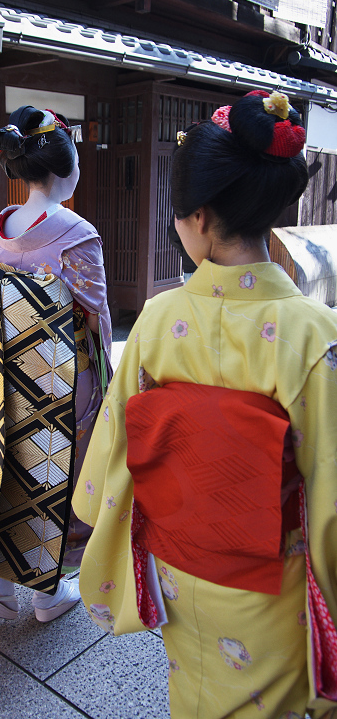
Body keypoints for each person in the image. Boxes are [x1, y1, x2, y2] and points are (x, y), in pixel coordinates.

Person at [72, 91, 337, 718]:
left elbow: (112, 463)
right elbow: (329, 497)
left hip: (178, 573)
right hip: (270, 589)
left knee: (190, 696)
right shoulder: (313, 335)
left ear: (195, 217)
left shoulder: (158, 320)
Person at [0, 105, 112, 622]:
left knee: (14, 463)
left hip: (5, 370)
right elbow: (96, 319)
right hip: (64, 378)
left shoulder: (1, 230)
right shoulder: (77, 233)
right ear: (66, 166)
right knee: (57, 470)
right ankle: (48, 593)